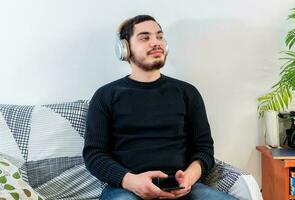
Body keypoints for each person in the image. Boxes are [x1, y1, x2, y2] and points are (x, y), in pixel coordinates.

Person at [83, 15, 237, 200]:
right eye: (145, 37)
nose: (156, 43)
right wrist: (132, 181)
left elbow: (204, 149)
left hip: (182, 189)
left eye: (159, 36)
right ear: (124, 48)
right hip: (127, 190)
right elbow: (94, 155)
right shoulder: (105, 96)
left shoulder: (187, 93)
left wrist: (189, 178)